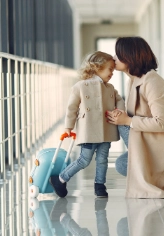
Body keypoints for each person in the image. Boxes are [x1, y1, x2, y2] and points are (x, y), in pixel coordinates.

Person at [106, 37, 164, 198]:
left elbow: (161, 123)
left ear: (129, 57)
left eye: (118, 54)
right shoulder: (134, 80)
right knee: (123, 163)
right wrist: (121, 116)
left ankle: (160, 178)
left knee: (123, 161)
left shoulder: (152, 82)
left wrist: (126, 121)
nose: (114, 58)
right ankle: (151, 174)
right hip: (153, 136)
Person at [50, 51, 125, 198]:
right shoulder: (81, 86)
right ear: (97, 67)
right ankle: (60, 179)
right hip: (89, 129)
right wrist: (68, 127)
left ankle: (100, 186)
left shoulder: (110, 88)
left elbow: (119, 99)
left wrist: (120, 111)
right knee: (84, 160)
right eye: (110, 69)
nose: (112, 73)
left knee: (103, 159)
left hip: (106, 129)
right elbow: (72, 108)